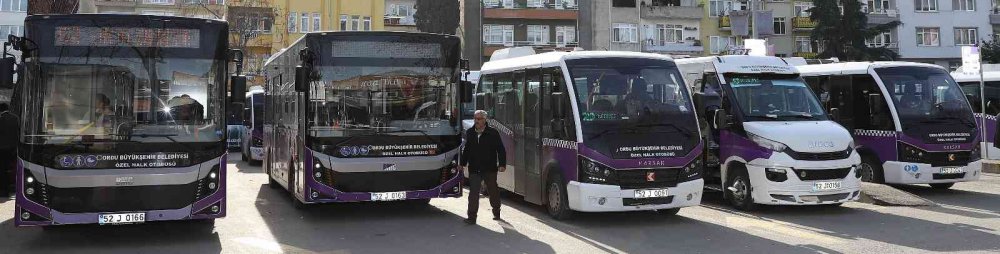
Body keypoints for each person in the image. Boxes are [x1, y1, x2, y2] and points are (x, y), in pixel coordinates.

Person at [460, 110, 506, 224]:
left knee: (493, 190)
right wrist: (462, 164)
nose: (476, 121)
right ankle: (471, 217)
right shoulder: (470, 132)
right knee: (473, 193)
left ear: (485, 120)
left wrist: (502, 164)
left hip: (489, 168)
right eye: (475, 118)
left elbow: (501, 149)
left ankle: (496, 211)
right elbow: (467, 149)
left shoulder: (493, 133)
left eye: (479, 119)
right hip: (474, 168)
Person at [0, 102, 18, 197]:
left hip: (2, 149)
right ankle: (15, 187)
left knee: (2, 169)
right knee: (13, 168)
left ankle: (4, 190)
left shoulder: (1, 119)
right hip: (14, 148)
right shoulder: (15, 118)